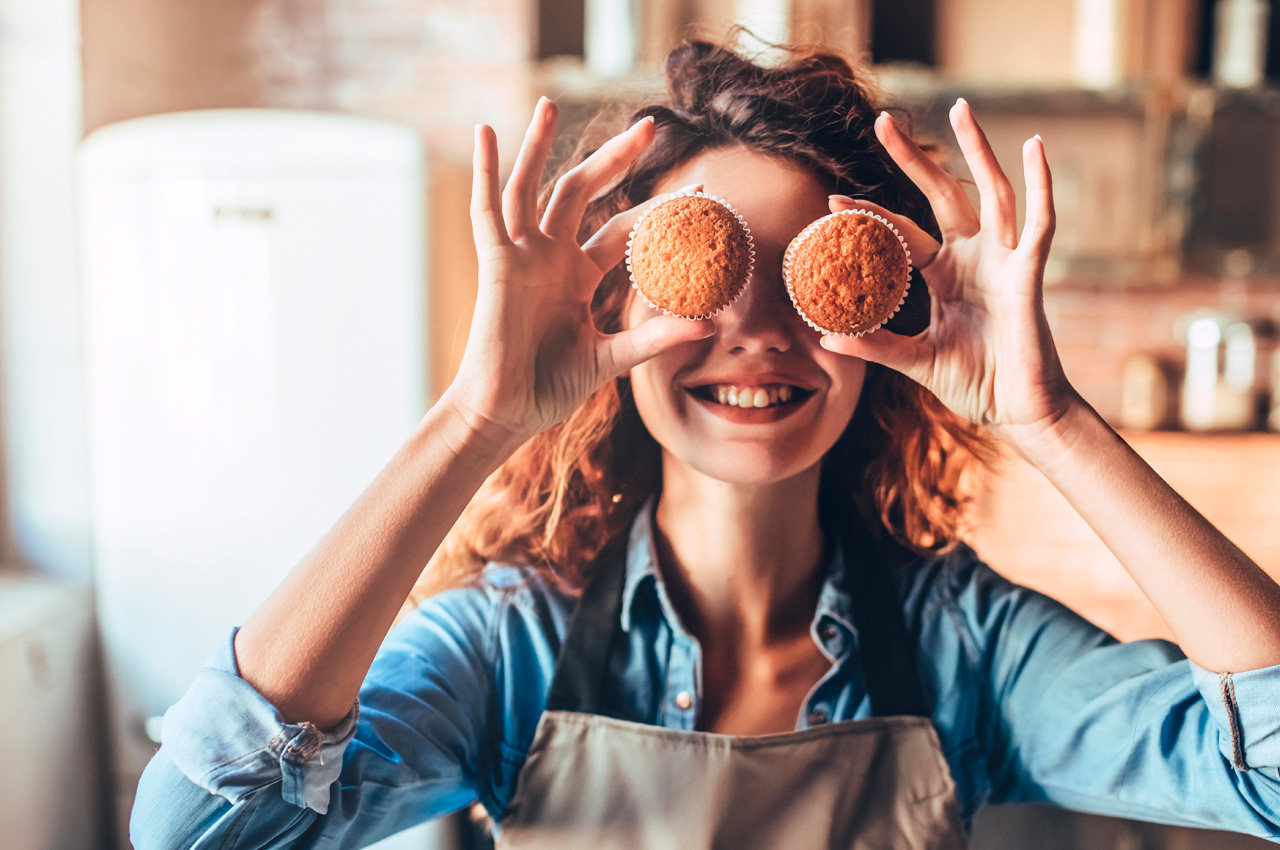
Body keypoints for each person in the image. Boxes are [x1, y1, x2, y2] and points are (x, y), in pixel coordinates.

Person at [130, 38, 1280, 849]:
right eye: (712, 275)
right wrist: (472, 422)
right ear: (619, 316)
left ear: (877, 323)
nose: (759, 334)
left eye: (806, 283)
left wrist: (1052, 422)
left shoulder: (962, 647)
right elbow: (196, 832)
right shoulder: (506, 651)